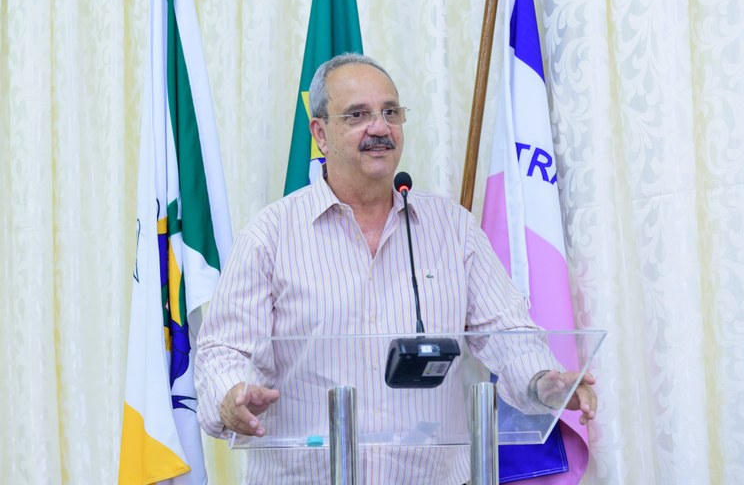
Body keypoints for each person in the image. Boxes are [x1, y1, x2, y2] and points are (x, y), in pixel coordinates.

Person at [194, 53, 597, 484]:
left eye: (390, 112)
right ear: (320, 134)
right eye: (358, 115)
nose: (380, 128)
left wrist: (542, 381)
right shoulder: (271, 235)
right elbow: (224, 350)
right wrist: (231, 395)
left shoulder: (453, 229)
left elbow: (507, 332)